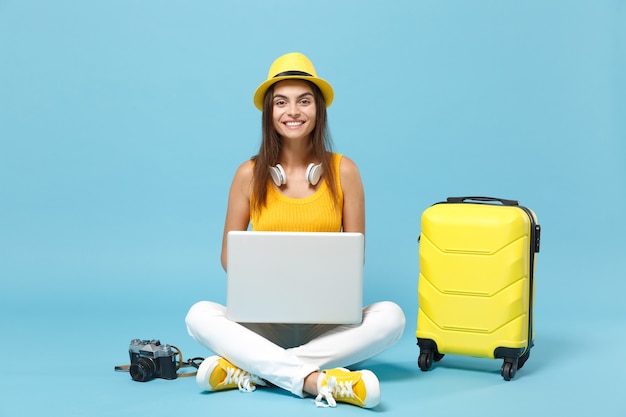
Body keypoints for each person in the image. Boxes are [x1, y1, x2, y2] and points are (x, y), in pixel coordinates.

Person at [185, 52, 405, 408]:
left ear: (318, 109)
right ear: (269, 113)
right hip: (263, 323)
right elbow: (230, 257)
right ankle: (316, 379)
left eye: (304, 101)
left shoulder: (344, 171)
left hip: (327, 324)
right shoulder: (248, 174)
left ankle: (255, 370)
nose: (293, 111)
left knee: (392, 317)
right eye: (281, 102)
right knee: (198, 315)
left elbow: (354, 256)